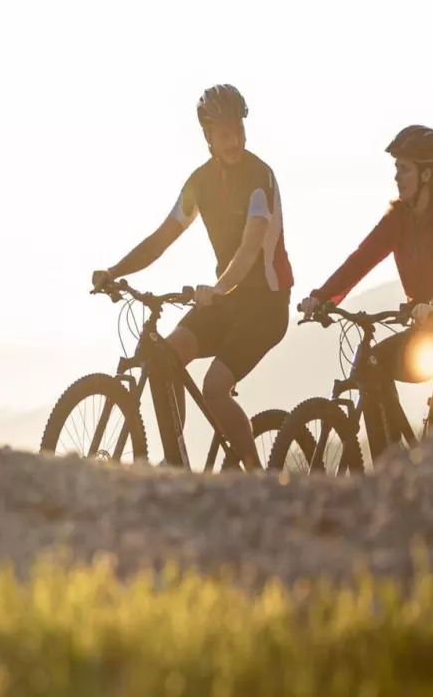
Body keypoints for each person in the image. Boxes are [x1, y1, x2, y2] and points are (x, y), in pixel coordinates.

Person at [91, 83, 295, 470]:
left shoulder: (259, 178)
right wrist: (115, 271)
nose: (234, 141)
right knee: (165, 357)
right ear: (207, 137)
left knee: (215, 388)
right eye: (224, 134)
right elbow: (160, 239)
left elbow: (251, 248)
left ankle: (258, 481)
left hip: (266, 305)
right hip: (227, 300)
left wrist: (218, 288)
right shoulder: (199, 183)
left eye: (238, 131)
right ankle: (178, 462)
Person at [297, 124, 433, 428]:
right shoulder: (397, 219)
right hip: (428, 331)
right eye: (396, 168)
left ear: (426, 174)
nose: (396, 177)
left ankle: (429, 465)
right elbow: (361, 259)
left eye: (404, 169)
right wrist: (322, 296)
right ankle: (389, 462)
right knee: (371, 366)